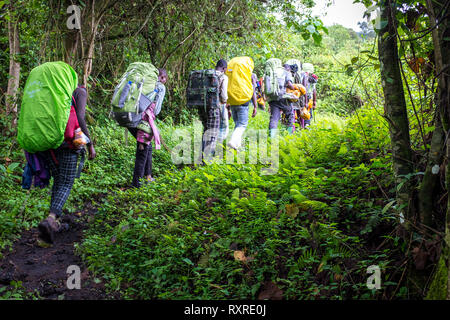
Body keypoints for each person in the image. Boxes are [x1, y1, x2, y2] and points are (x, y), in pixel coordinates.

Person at [38, 85, 96, 243]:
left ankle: (52, 225)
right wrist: (90, 144)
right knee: (66, 183)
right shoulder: (79, 91)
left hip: (49, 142)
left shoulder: (53, 90)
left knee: (58, 181)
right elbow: (80, 117)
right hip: (68, 144)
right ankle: (50, 219)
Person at [128, 68, 167, 188]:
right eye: (164, 78)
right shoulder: (160, 87)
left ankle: (147, 176)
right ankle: (136, 184)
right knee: (142, 150)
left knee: (147, 147)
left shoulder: (143, 84)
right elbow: (157, 109)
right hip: (143, 121)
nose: (165, 80)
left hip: (131, 117)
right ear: (161, 77)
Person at [199, 59, 229, 160]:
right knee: (212, 133)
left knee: (206, 131)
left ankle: (201, 156)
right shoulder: (223, 77)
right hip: (214, 108)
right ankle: (206, 159)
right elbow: (224, 96)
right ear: (224, 69)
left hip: (202, 107)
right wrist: (224, 101)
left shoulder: (206, 74)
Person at [227, 73, 258, 150]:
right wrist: (255, 106)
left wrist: (228, 107)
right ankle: (233, 141)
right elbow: (253, 92)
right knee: (242, 125)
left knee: (237, 125)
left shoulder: (236, 76)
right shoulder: (250, 78)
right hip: (243, 104)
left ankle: (237, 147)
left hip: (233, 103)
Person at [268, 64, 296, 137]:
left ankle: (272, 137)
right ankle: (289, 135)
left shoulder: (272, 73)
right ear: (288, 69)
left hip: (272, 98)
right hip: (283, 98)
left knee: (274, 118)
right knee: (290, 115)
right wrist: (294, 88)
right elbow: (289, 84)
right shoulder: (286, 72)